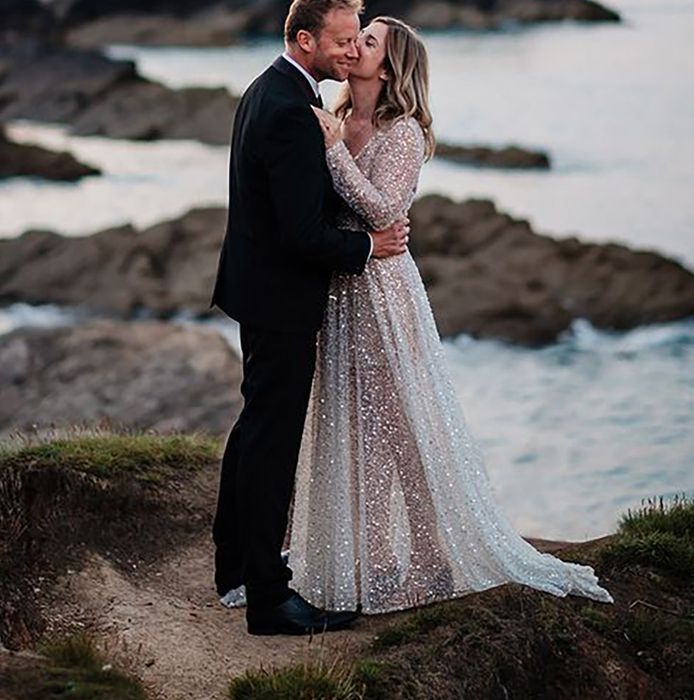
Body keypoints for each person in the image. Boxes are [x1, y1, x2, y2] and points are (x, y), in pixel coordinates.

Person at [288, 16, 615, 613]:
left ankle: (434, 558)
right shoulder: (334, 119)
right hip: (337, 290)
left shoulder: (403, 133)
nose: (352, 44)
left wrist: (335, 154)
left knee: (401, 430)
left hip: (383, 296)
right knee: (354, 425)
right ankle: (377, 558)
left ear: (387, 66)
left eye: (366, 41)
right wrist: (330, 148)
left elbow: (386, 209)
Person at [210, 0, 409, 635]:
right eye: (344, 41)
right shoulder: (293, 112)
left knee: (254, 428)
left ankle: (237, 567)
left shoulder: (265, 88)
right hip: (280, 298)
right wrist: (366, 247)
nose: (352, 52)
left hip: (256, 290)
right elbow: (301, 233)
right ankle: (269, 597)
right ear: (306, 40)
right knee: (271, 442)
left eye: (360, 42)